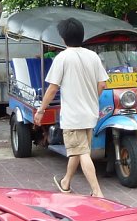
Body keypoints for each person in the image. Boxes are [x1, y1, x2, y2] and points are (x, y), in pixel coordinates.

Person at [34, 17, 107, 197]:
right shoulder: (93, 56)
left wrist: (41, 110)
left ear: (63, 38)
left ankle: (97, 192)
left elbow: (52, 88)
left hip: (73, 116)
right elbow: (102, 84)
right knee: (79, 149)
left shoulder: (62, 58)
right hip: (90, 114)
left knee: (81, 152)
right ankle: (65, 182)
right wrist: (91, 98)